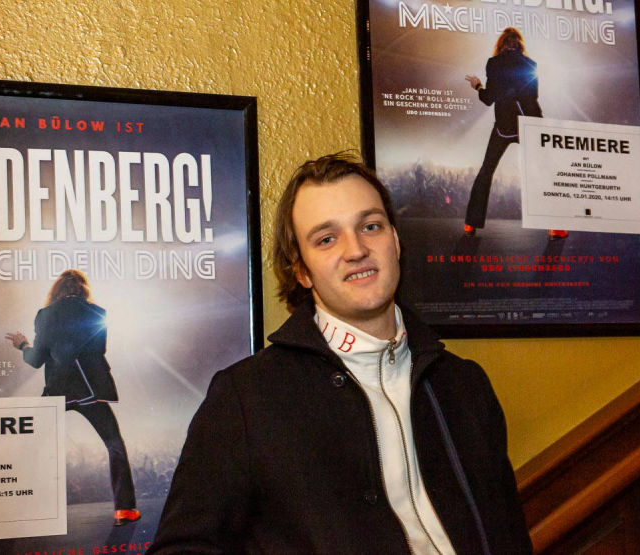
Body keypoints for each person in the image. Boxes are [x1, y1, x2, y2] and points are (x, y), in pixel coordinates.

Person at [149, 153, 532, 554]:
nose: (356, 250)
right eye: (326, 239)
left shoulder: (465, 385)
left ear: (395, 241)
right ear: (302, 271)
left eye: (370, 226)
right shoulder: (245, 399)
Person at [5, 269, 140, 526]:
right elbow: (99, 350)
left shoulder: (45, 315)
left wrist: (23, 345)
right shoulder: (98, 312)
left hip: (58, 389)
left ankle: (20, 509)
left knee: (30, 447)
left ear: (56, 290)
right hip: (90, 389)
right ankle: (125, 510)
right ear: (84, 289)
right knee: (115, 445)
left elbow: (36, 360)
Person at [464, 27, 567, 240]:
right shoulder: (531, 64)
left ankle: (470, 224)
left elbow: (488, 98)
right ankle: (556, 227)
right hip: (530, 124)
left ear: (501, 44)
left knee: (486, 171)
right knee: (546, 173)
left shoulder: (494, 63)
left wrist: (477, 86)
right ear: (520, 44)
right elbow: (533, 96)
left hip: (504, 125)